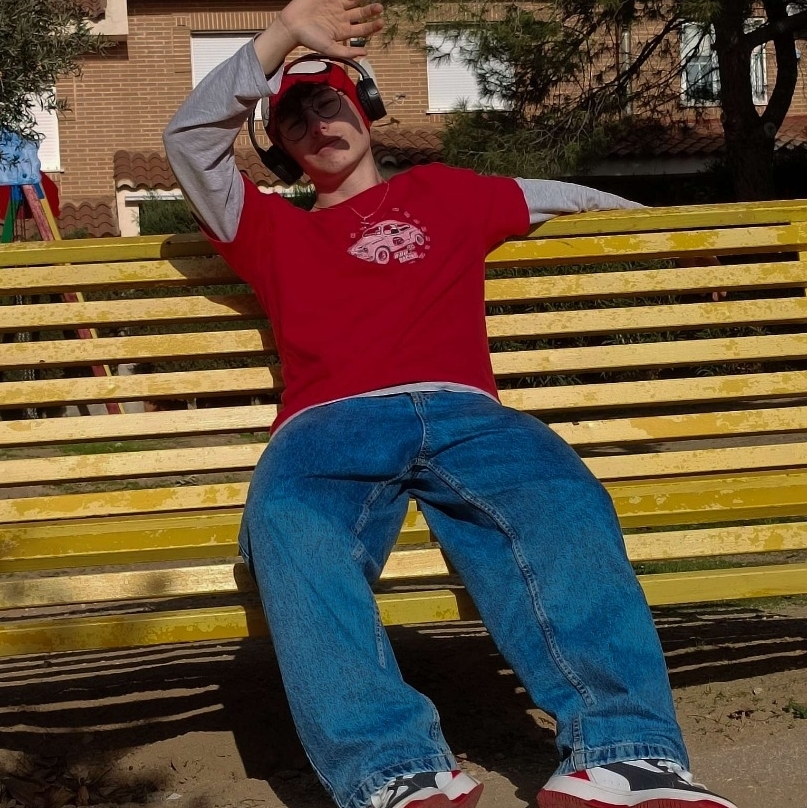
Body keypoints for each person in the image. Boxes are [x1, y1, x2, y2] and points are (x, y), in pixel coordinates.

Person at [163, 2, 739, 807]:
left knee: (562, 496)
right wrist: (285, 31)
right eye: (293, 119)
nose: (316, 123)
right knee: (288, 525)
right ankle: (394, 770)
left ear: (363, 108)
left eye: (328, 102)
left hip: (467, 413)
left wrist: (691, 247)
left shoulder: (448, 192)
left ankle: (626, 756)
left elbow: (572, 199)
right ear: (279, 147)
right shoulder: (263, 227)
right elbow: (189, 140)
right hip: (329, 423)